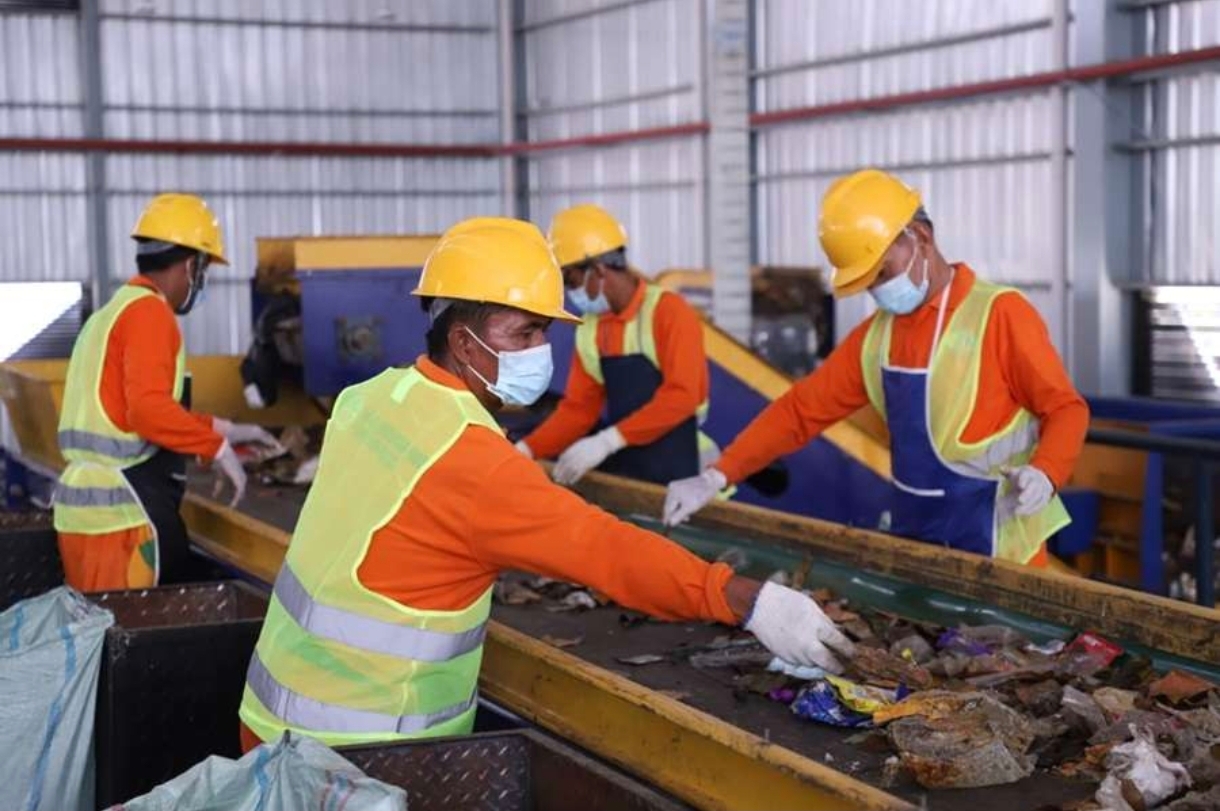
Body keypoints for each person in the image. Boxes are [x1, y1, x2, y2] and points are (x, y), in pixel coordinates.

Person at [238, 217, 853, 749]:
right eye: (523, 334)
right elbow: (605, 549)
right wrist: (747, 600)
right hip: (358, 748)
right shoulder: (477, 466)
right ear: (463, 340)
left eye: (543, 333)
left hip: (272, 713)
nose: (541, 351)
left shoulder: (368, 397)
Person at [663, 169, 1089, 567]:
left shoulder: (1000, 315)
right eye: (869, 282)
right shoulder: (877, 339)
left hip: (1001, 552)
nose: (879, 290)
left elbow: (1066, 408)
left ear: (920, 237)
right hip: (918, 545)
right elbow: (799, 412)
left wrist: (1046, 471)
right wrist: (717, 475)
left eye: (881, 272)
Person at [53, 193, 279, 590]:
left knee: (104, 636)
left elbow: (124, 413)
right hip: (123, 521)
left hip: (89, 516)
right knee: (127, 637)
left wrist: (226, 429)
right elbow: (147, 411)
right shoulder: (150, 314)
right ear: (192, 265)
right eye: (204, 270)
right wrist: (216, 448)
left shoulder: (110, 314)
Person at [515, 204, 714, 486]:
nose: (571, 293)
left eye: (571, 280)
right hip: (629, 474)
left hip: (679, 472)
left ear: (598, 270)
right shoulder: (590, 329)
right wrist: (526, 450)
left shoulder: (668, 312)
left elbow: (683, 396)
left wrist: (608, 440)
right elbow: (579, 410)